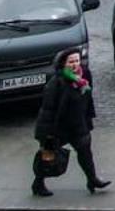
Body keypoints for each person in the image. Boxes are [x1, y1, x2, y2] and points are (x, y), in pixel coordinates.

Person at [32, 49, 108, 197]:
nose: (75, 65)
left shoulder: (84, 76)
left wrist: (88, 119)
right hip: (56, 128)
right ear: (63, 64)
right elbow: (48, 110)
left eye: (77, 61)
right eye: (71, 62)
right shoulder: (56, 83)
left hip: (78, 124)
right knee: (48, 157)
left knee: (85, 153)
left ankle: (92, 180)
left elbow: (88, 100)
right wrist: (47, 134)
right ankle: (38, 183)